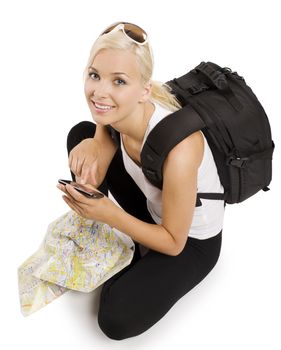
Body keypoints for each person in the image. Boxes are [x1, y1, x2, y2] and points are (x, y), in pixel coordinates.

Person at [56, 22, 225, 340]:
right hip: (153, 205)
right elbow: (105, 130)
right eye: (94, 75)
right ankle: (116, 242)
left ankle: (127, 252)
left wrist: (108, 214)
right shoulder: (116, 111)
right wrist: (94, 153)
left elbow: (174, 243)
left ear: (145, 90)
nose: (100, 92)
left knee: (115, 321)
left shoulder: (181, 149)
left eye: (118, 81)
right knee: (81, 134)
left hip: (189, 240)